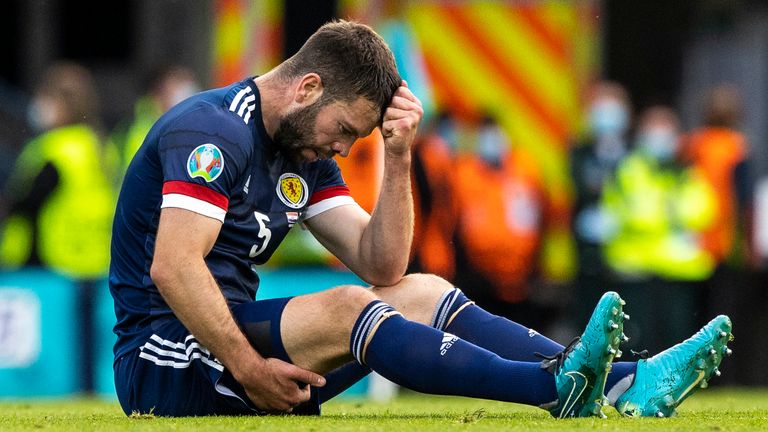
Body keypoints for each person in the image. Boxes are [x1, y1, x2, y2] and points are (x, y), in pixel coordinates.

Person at [110, 20, 732, 419]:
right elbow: (173, 266)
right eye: (347, 131)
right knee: (350, 308)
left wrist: (399, 154)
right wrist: (249, 370)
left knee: (422, 290)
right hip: (165, 360)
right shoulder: (212, 131)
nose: (342, 149)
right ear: (306, 88)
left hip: (239, 351)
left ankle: (628, 379)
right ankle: (554, 388)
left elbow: (384, 264)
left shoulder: (303, 149)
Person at [601, 106, 719, 353]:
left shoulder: (685, 171)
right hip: (635, 267)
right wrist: (671, 213)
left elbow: (705, 209)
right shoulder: (629, 169)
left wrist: (667, 212)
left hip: (678, 267)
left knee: (678, 333)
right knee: (638, 337)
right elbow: (630, 212)